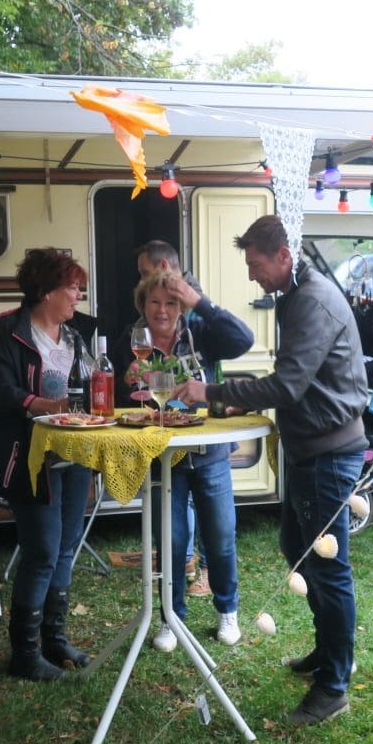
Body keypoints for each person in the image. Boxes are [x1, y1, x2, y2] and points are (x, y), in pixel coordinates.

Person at [174, 214, 368, 726]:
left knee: (328, 566)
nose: (252, 275)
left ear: (284, 255)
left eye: (256, 264)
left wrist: (213, 392)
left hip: (329, 452)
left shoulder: (310, 301)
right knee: (295, 548)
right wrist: (242, 398)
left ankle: (334, 685)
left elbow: (287, 385)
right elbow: (292, 379)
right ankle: (328, 652)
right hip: (312, 447)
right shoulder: (296, 295)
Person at [112, 269, 254, 651]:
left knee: (220, 537)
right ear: (142, 305)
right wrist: (126, 387)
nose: (162, 310)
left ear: (182, 306)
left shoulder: (200, 331)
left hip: (208, 450)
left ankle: (227, 611)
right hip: (163, 455)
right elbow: (117, 400)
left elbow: (243, 339)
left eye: (171, 303)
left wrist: (198, 303)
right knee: (171, 542)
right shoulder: (132, 341)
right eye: (154, 302)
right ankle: (170, 618)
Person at [0, 247, 94, 681]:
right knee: (43, 550)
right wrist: (46, 405)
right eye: (73, 288)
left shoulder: (76, 336)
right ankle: (24, 654)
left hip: (73, 455)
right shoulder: (8, 332)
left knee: (65, 547)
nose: (78, 296)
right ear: (47, 291)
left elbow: (91, 383)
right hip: (30, 456)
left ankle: (54, 639)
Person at [135, 240, 209, 596]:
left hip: (202, 433)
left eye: (144, 272)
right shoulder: (142, 324)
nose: (142, 280)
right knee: (173, 512)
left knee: (210, 509)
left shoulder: (196, 311)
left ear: (163, 266)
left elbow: (234, 340)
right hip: (166, 433)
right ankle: (179, 575)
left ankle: (204, 569)